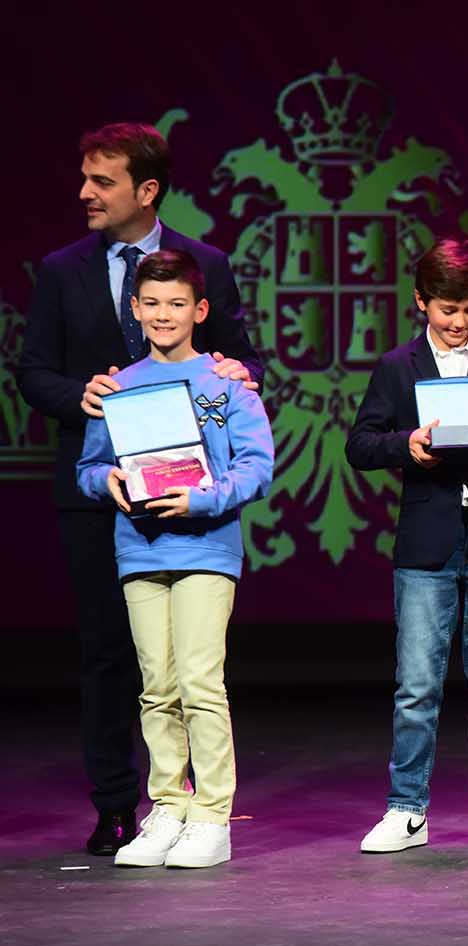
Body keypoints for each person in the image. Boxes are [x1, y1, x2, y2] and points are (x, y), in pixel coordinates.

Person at [17, 122, 262, 855]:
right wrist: (83, 396)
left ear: (146, 190)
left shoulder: (204, 264)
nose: (85, 193)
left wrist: (237, 373)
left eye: (103, 181)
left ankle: (202, 811)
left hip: (195, 505)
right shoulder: (62, 269)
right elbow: (33, 372)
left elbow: (241, 364)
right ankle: (121, 807)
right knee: (111, 655)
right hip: (105, 493)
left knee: (193, 671)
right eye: (85, 178)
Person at [74, 249, 273, 868]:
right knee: (156, 687)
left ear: (200, 310)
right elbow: (89, 466)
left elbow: (257, 466)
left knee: (198, 681)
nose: (164, 315)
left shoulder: (227, 383)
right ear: (135, 309)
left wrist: (201, 498)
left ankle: (212, 816)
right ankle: (168, 807)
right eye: (153, 303)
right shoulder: (118, 388)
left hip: (206, 546)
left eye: (177, 304)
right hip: (139, 548)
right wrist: (107, 480)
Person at [346, 238, 468, 853]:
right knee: (416, 687)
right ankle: (407, 809)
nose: (459, 323)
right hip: (427, 540)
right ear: (421, 302)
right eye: (447, 310)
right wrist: (406, 444)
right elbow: (361, 444)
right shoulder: (397, 366)